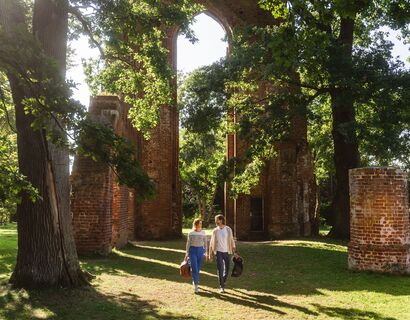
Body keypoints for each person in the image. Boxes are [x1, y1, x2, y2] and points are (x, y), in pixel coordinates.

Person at [208, 214, 236, 293]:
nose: (216, 221)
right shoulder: (215, 230)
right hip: (218, 251)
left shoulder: (228, 229)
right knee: (220, 268)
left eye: (217, 219)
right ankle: (221, 286)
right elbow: (211, 242)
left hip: (227, 251)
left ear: (221, 220)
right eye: (215, 220)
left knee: (227, 269)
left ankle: (223, 280)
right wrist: (210, 253)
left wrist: (234, 249)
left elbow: (231, 240)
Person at [185, 218, 208, 293]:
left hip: (201, 251)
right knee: (194, 267)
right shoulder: (191, 233)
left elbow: (205, 243)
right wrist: (186, 253)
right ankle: (196, 285)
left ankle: (195, 280)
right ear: (196, 224)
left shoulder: (203, 232)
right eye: (199, 223)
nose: (200, 225)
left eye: (201, 223)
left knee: (197, 268)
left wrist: (206, 252)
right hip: (192, 251)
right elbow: (188, 244)